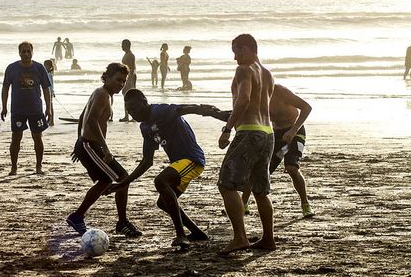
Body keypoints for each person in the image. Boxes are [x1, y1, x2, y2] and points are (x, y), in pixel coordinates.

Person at [108, 89, 227, 249]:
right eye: (129, 111)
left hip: (193, 159)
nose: (133, 114)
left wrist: (218, 115)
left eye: (135, 108)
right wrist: (122, 184)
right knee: (163, 203)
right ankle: (197, 233)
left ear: (145, 102)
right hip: (178, 164)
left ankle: (181, 235)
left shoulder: (161, 111)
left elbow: (188, 108)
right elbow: (146, 161)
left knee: (160, 181)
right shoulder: (145, 127)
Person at [66, 63, 143, 238]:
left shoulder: (104, 93)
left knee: (106, 180)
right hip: (91, 146)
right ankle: (121, 223)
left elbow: (81, 117)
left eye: (123, 81)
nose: (121, 84)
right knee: (122, 177)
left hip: (87, 145)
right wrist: (102, 148)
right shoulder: (102, 95)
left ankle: (77, 216)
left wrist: (78, 142)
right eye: (117, 80)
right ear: (106, 77)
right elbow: (91, 120)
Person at [217, 34, 276, 255]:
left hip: (249, 133)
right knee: (260, 190)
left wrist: (227, 129)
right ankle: (268, 239)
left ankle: (240, 238)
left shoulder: (244, 70)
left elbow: (243, 99)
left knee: (226, 184)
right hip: (268, 134)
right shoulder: (268, 74)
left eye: (236, 51)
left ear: (247, 48)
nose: (234, 58)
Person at [241, 84, 315, 218]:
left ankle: (305, 204)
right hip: (275, 134)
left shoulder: (280, 91)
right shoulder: (254, 96)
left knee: (292, 168)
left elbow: (307, 107)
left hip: (295, 131)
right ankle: (243, 204)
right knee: (258, 170)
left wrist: (293, 131)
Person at [1, 41, 52, 175]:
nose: (26, 54)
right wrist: (4, 107)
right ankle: (14, 167)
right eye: (23, 51)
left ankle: (39, 166)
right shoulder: (11, 68)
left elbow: (46, 89)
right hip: (18, 110)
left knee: (37, 137)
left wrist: (49, 108)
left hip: (35, 109)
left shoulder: (39, 68)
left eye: (28, 51)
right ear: (19, 53)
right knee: (16, 138)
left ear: (32, 52)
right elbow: (5, 88)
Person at [119, 39, 136, 122]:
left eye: (123, 45)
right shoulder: (126, 54)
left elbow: (132, 68)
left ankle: (131, 116)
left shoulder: (130, 55)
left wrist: (129, 80)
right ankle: (127, 116)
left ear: (127, 45)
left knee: (129, 98)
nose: (121, 46)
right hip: (127, 77)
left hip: (130, 77)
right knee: (126, 97)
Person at [44, 59, 55, 126]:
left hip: (49, 92)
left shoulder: (48, 74)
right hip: (50, 92)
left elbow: (50, 84)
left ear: (48, 66)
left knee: (50, 106)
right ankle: (50, 120)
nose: (44, 67)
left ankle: (51, 121)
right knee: (49, 106)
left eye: (45, 65)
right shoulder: (49, 73)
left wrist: (52, 92)